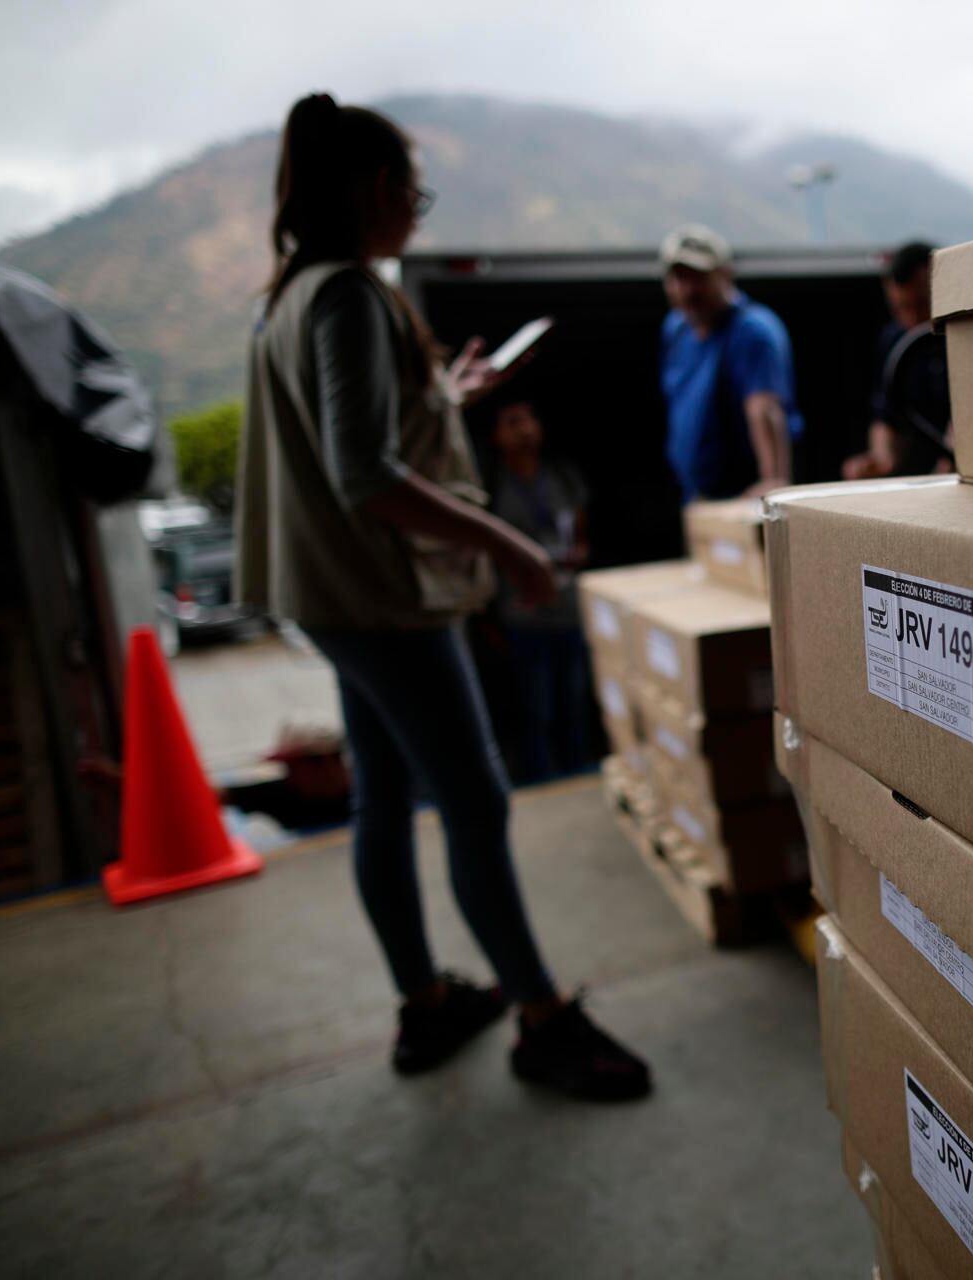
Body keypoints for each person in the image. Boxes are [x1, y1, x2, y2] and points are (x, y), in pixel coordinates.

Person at [234, 92, 648, 1100]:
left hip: (332, 599)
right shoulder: (345, 295)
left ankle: (425, 1000)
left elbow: (363, 435)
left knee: (384, 791)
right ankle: (541, 1018)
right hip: (382, 598)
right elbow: (363, 474)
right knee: (474, 794)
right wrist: (510, 541)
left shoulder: (293, 294)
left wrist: (440, 400)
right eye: (414, 190)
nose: (419, 207)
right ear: (380, 189)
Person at [485, 395, 593, 782]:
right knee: (536, 709)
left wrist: (573, 556)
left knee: (573, 703)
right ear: (497, 435)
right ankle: (541, 782)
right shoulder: (493, 486)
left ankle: (577, 778)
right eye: (514, 421)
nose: (526, 429)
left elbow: (581, 534)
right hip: (523, 615)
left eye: (530, 419)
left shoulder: (561, 477)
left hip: (567, 609)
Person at [657, 224, 804, 499]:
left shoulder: (752, 331)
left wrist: (773, 482)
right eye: (679, 278)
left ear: (725, 274)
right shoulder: (676, 329)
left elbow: (764, 409)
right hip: (694, 495)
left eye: (698, 278)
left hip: (741, 495)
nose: (688, 290)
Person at [844, 241, 954, 479]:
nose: (913, 318)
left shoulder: (964, 335)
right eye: (901, 308)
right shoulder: (893, 340)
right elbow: (884, 411)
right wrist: (880, 459)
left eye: (922, 304)